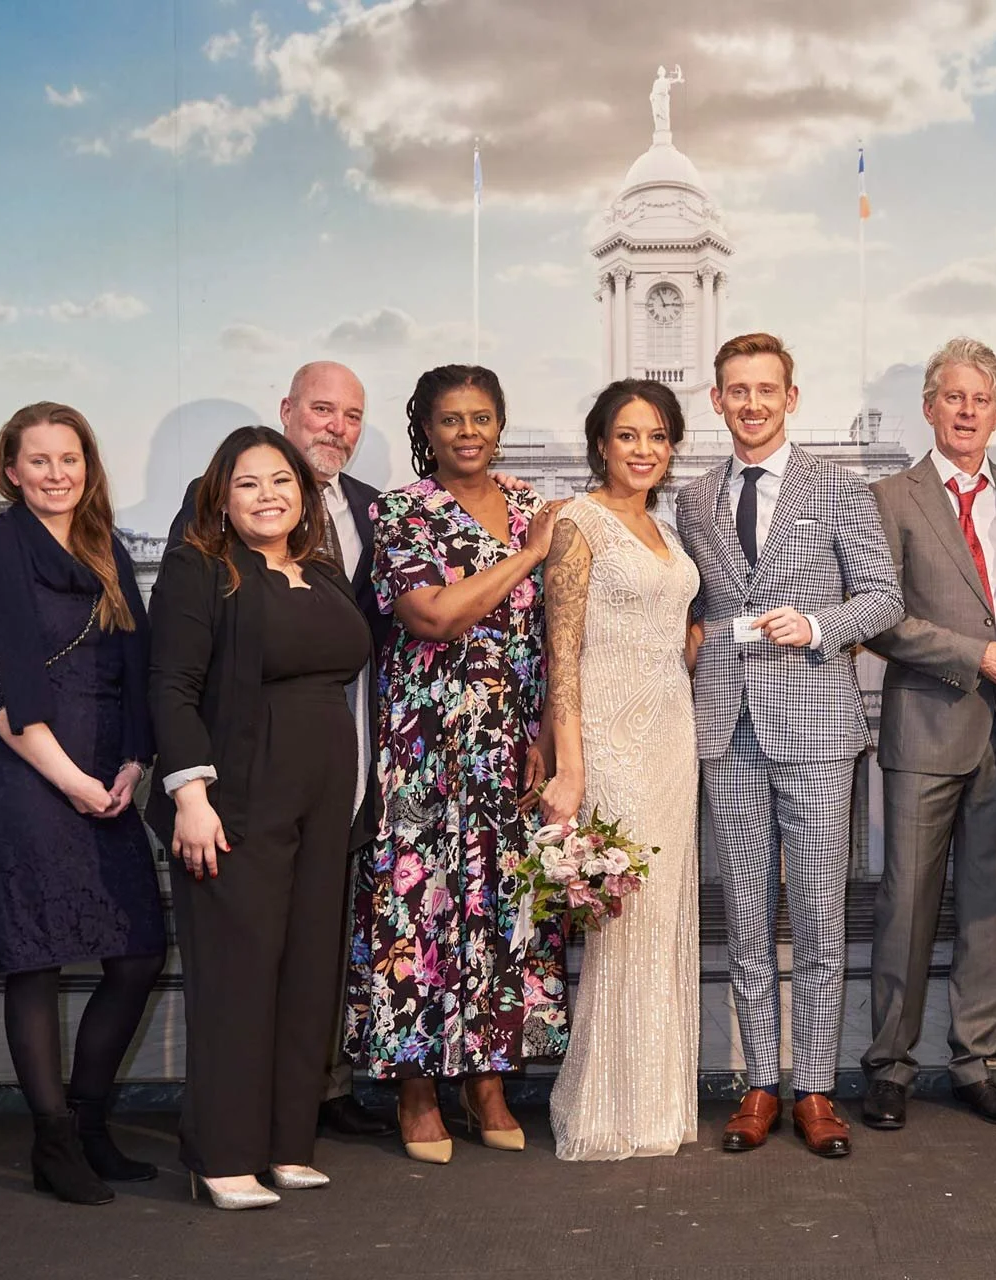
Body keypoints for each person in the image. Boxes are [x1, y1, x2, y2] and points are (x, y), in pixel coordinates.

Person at [676, 333, 904, 1159]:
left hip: (814, 727)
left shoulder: (838, 491)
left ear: (791, 397)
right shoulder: (694, 499)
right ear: (718, 399)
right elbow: (693, 605)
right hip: (726, 730)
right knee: (742, 917)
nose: (752, 403)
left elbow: (882, 598)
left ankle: (815, 1088)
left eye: (766, 389)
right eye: (737, 389)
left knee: (817, 916)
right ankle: (758, 1085)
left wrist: (819, 626)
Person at [343, 365, 568, 1164]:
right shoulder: (400, 511)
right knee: (423, 907)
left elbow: (543, 633)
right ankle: (414, 1088)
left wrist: (542, 726)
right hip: (426, 742)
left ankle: (487, 1081)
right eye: (450, 420)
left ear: (499, 423)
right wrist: (526, 554)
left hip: (507, 741)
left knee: (502, 907)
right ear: (426, 429)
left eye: (481, 417)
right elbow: (433, 616)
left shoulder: (526, 506)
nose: (467, 432)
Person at [165, 361, 394, 1141]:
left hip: (330, 796)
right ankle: (225, 1152)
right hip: (242, 792)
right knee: (241, 975)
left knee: (307, 976)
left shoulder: (326, 567)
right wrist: (190, 794)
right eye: (249, 484)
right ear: (220, 497)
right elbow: (172, 684)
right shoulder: (203, 564)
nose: (269, 496)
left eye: (281, 485)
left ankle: (290, 1140)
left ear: (303, 495)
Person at [0, 403, 165, 1205]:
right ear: (11, 470)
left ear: (89, 464)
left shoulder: (105, 546)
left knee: (138, 953)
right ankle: (51, 1143)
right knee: (37, 962)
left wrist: (132, 763)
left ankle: (88, 1122)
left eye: (68, 458)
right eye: (37, 460)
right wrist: (72, 779)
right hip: (28, 776)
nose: (56, 474)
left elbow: (137, 664)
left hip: (107, 778)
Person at [860, 338, 996, 1132]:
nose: (968, 411)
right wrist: (981, 656)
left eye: (982, 399)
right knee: (905, 905)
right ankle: (890, 1066)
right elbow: (880, 620)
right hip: (925, 727)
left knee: (990, 908)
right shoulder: (888, 499)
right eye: (954, 397)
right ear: (930, 408)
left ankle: (974, 1063)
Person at [540, 379, 702, 1161]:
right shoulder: (578, 523)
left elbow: (670, 628)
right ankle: (607, 1104)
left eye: (658, 436)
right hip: (609, 739)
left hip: (672, 732)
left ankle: (657, 1102)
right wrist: (570, 768)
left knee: (662, 912)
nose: (644, 449)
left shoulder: (665, 529)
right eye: (628, 435)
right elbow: (560, 651)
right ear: (600, 442)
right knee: (624, 921)